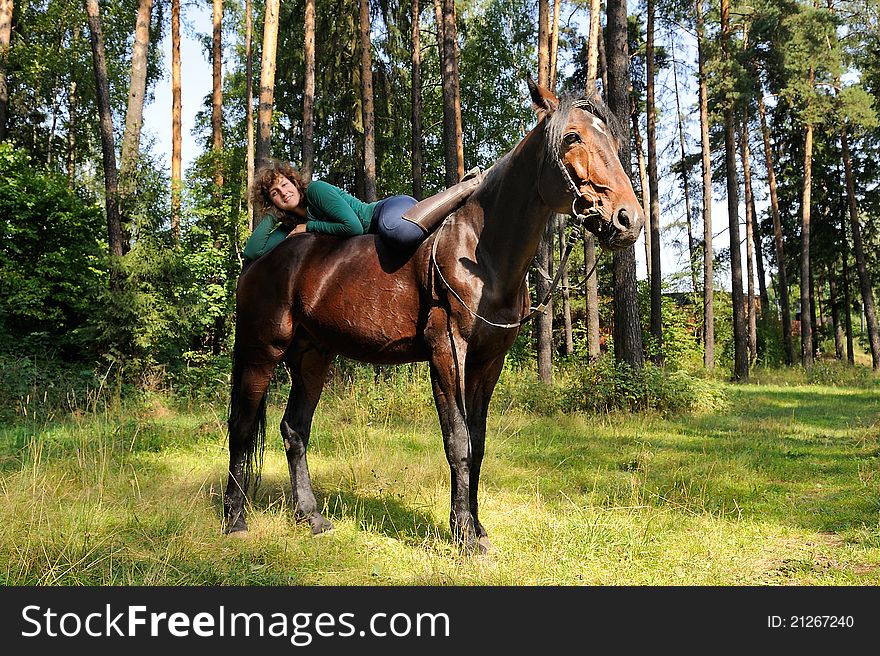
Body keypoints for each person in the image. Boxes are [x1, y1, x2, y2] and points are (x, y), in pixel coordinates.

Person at [242, 160, 424, 262]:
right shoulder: (289, 225)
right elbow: (253, 252)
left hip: (384, 212)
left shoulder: (316, 190)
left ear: (294, 182)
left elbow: (354, 227)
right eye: (275, 193)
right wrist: (274, 213)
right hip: (371, 231)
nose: (283, 193)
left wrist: (308, 227)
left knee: (402, 235)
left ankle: (448, 199)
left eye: (284, 184)